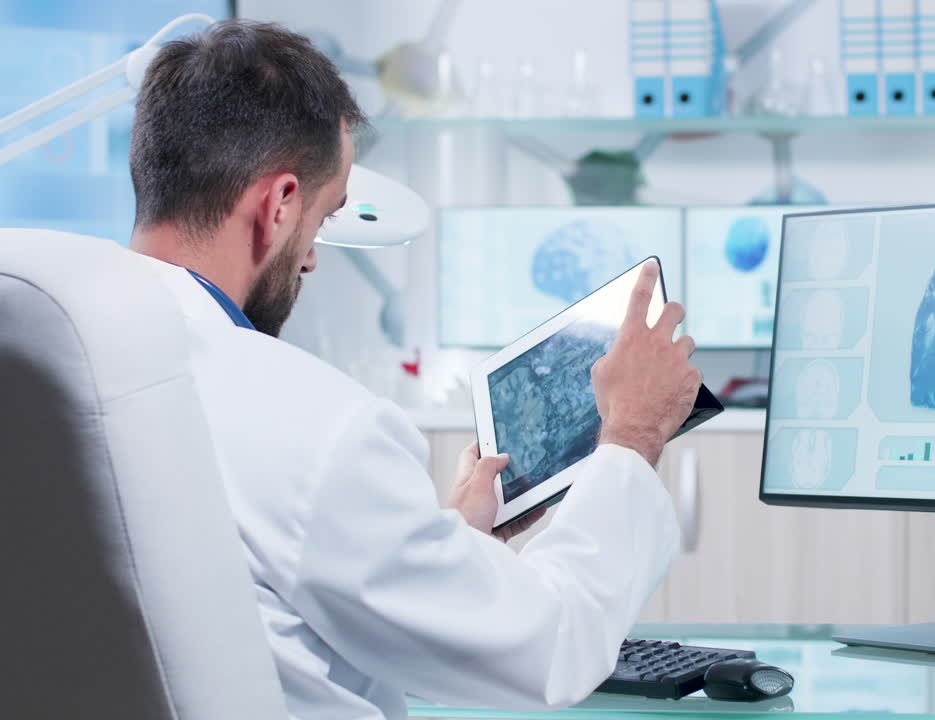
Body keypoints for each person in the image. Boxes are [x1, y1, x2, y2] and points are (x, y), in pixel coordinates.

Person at [125, 19, 701, 720]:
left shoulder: (62, 355)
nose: (310, 258)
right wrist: (632, 436)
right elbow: (549, 649)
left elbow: (268, 585)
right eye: (324, 216)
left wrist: (445, 544)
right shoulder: (313, 424)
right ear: (278, 205)